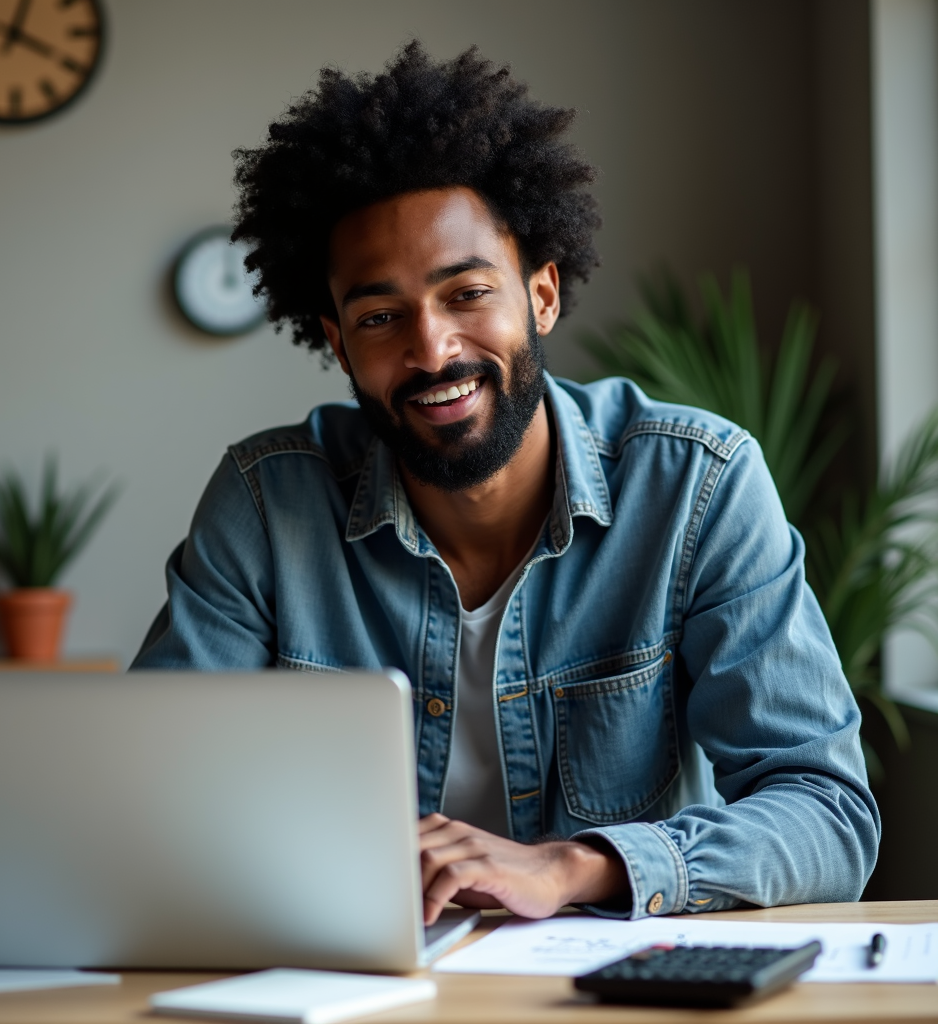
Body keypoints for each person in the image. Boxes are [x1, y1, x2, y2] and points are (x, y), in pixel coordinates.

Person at [134, 42, 879, 925]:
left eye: (467, 293)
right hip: (351, 975)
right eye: (379, 317)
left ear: (544, 295)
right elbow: (152, 799)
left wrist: (572, 867)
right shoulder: (266, 501)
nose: (432, 349)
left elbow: (826, 813)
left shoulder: (696, 486)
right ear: (338, 345)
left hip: (603, 983)